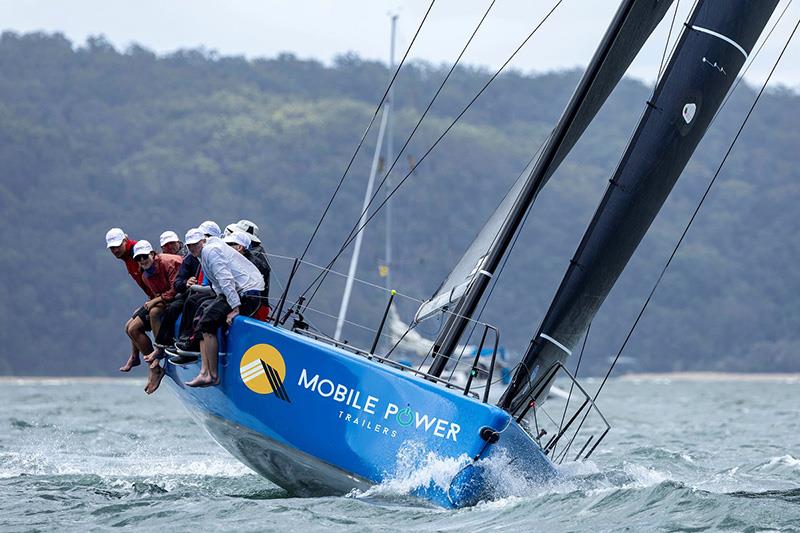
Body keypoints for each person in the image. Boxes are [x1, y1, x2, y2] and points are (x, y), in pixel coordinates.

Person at [184, 229, 264, 387]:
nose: (193, 248)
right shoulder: (204, 253)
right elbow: (218, 285)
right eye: (189, 246)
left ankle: (212, 375)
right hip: (238, 292)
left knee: (207, 324)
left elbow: (226, 279)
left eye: (195, 244)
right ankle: (205, 372)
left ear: (203, 241)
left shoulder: (210, 251)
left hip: (248, 293)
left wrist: (235, 308)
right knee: (204, 317)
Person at [132, 240, 183, 393]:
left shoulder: (170, 262)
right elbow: (159, 294)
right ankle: (153, 365)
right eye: (138, 258)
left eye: (144, 256)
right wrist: (155, 300)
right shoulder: (145, 276)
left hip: (182, 296)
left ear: (153, 254)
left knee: (154, 312)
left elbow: (175, 290)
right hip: (164, 300)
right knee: (131, 326)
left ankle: (160, 349)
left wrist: (155, 301)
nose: (142, 260)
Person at [105, 227, 155, 373]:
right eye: (112, 248)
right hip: (153, 297)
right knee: (129, 325)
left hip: (161, 299)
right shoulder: (126, 255)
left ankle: (154, 367)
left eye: (117, 246)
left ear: (125, 241)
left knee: (134, 328)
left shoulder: (137, 252)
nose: (115, 250)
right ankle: (135, 357)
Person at [224, 231, 271, 304]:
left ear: (239, 247)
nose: (225, 246)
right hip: (238, 297)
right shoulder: (237, 260)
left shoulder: (253, 265)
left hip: (249, 303)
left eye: (229, 244)